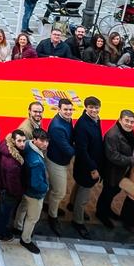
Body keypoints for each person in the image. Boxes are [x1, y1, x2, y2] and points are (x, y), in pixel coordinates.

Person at [97, 109, 134, 229]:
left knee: (114, 192)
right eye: (127, 121)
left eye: (132, 122)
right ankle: (101, 214)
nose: (129, 124)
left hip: (121, 171)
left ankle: (107, 210)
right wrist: (133, 160)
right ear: (120, 120)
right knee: (107, 193)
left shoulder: (127, 131)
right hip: (112, 172)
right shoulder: (112, 135)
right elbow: (113, 156)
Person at [71, 96, 104, 239]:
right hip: (86, 165)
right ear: (85, 107)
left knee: (79, 186)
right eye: (91, 107)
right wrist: (93, 168)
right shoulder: (83, 125)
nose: (94, 110)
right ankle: (78, 221)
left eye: (96, 107)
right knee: (84, 196)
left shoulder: (96, 119)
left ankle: (72, 205)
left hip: (90, 162)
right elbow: (82, 150)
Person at [44, 97, 75, 235]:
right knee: (59, 192)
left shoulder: (67, 120)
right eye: (65, 109)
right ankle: (52, 216)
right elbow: (68, 150)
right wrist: (83, 149)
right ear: (58, 109)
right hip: (56, 162)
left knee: (53, 187)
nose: (69, 112)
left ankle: (47, 204)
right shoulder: (57, 127)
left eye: (70, 109)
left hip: (60, 160)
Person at [19, 127, 50, 253]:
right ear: (35, 140)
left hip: (24, 187)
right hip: (34, 194)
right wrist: (46, 188)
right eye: (42, 141)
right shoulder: (36, 162)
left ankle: (18, 226)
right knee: (32, 218)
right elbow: (36, 183)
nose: (45, 144)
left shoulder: (27, 144)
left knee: (22, 207)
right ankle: (25, 239)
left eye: (47, 141)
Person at [0, 129, 26, 241]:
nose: (22, 144)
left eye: (24, 141)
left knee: (1, 210)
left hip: (2, 186)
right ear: (12, 141)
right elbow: (13, 184)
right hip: (8, 192)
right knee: (5, 214)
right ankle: (1, 234)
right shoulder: (12, 163)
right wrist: (19, 193)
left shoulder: (5, 147)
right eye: (19, 141)